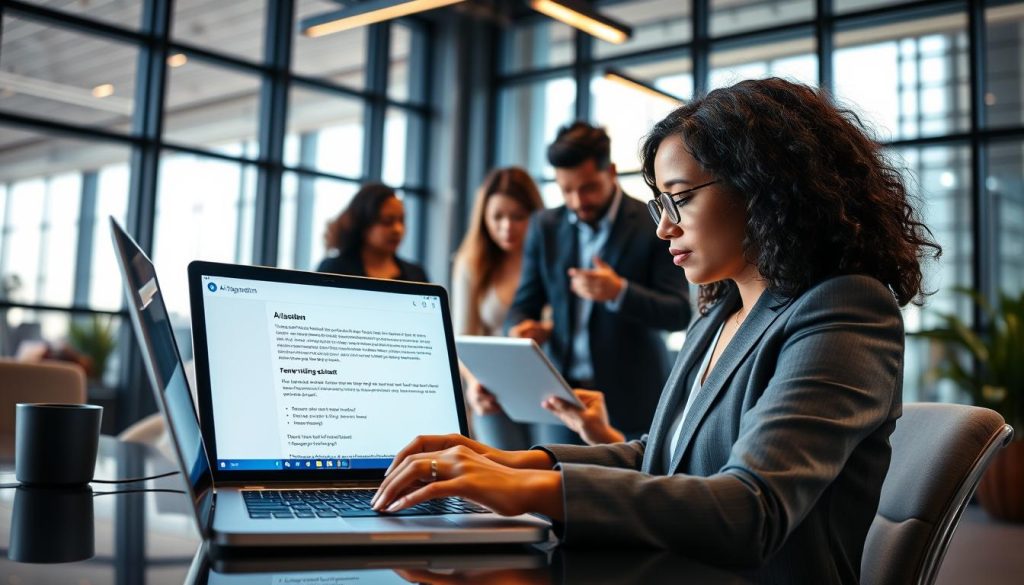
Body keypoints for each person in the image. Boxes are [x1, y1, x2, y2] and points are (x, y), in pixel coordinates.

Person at [370, 78, 942, 583]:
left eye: (682, 199)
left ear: (763, 189)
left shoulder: (845, 308)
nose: (665, 227)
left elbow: (751, 510)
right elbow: (663, 456)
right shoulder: (720, 312)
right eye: (659, 204)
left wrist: (527, 491)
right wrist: (513, 463)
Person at [505, 122, 691, 444]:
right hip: (561, 398)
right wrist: (521, 326)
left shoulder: (653, 224)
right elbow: (524, 303)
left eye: (588, 187)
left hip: (632, 401)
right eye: (567, 190)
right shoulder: (544, 227)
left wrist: (620, 292)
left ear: (612, 172)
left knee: (627, 488)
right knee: (555, 487)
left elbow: (678, 313)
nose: (578, 201)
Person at [450, 167, 545, 449]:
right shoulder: (471, 263)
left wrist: (546, 330)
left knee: (551, 476)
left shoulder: (550, 259)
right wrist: (473, 385)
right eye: (498, 217)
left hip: (546, 388)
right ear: (483, 218)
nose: (507, 227)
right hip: (493, 389)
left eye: (518, 216)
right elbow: (460, 341)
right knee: (502, 476)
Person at [317, 183, 428, 282]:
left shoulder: (416, 275)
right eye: (387, 221)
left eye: (401, 221)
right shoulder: (333, 270)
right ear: (363, 223)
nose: (397, 229)